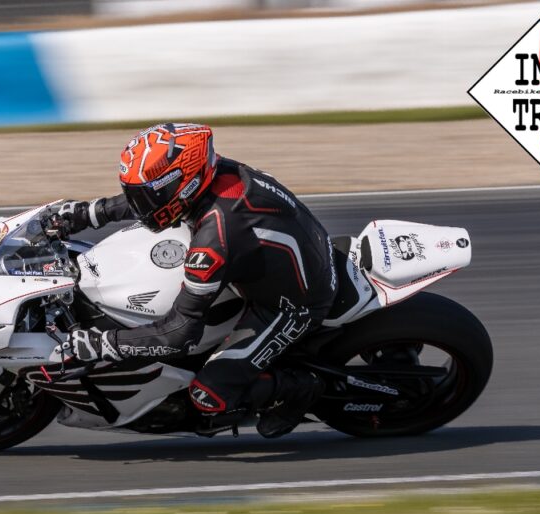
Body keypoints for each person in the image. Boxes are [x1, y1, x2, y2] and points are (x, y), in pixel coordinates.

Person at [52, 123, 337, 438]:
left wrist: (106, 343)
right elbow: (154, 203)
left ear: (185, 185)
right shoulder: (212, 173)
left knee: (209, 394)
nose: (139, 204)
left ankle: (298, 388)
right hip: (283, 254)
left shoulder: (215, 239)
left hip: (292, 305)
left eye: (148, 195)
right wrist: (89, 213)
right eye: (135, 193)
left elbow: (180, 334)